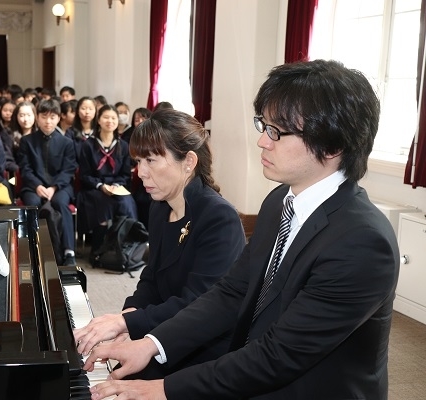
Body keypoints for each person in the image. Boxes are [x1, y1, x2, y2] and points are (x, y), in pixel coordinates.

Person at [82, 59, 401, 400]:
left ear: (332, 145)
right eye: (264, 125)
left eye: (277, 132)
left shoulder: (362, 242)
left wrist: (162, 389)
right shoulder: (279, 201)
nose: (262, 141)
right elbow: (232, 292)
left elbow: (279, 356)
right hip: (251, 367)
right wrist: (151, 343)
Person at [74, 107, 246, 368]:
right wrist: (128, 316)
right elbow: (152, 277)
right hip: (162, 331)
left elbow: (198, 304)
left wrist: (127, 323)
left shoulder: (219, 218)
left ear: (188, 162)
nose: (141, 172)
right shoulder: (160, 207)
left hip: (200, 351)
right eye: (138, 162)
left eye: (151, 161)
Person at [17, 98, 78, 266]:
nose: (48, 121)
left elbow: (68, 169)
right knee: (32, 204)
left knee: (61, 204)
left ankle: (68, 251)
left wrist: (54, 187)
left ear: (59, 118)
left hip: (60, 187)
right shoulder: (27, 141)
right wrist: (37, 186)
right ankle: (31, 249)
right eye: (44, 117)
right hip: (33, 186)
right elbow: (25, 169)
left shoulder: (67, 143)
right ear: (37, 117)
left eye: (52, 117)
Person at [76, 104, 139, 260]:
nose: (110, 121)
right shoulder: (88, 145)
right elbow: (84, 174)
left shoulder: (123, 146)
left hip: (116, 187)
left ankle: (124, 252)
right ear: (98, 120)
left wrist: (115, 186)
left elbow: (125, 174)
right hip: (94, 188)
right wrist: (101, 186)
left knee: (127, 203)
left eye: (113, 118)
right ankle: (97, 251)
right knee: (102, 204)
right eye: (106, 117)